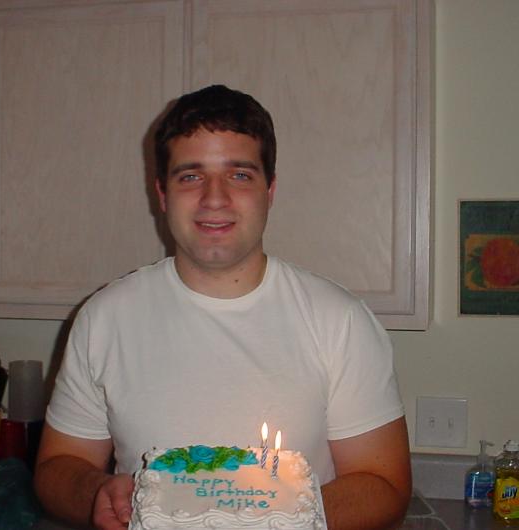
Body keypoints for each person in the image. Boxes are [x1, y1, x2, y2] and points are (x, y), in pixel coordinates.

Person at [34, 85, 411, 530]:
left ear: (270, 190)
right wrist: (96, 493)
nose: (215, 198)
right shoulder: (103, 318)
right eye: (191, 176)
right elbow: (58, 467)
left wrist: (266, 516)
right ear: (162, 194)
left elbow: (384, 486)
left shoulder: (339, 321)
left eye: (240, 175)